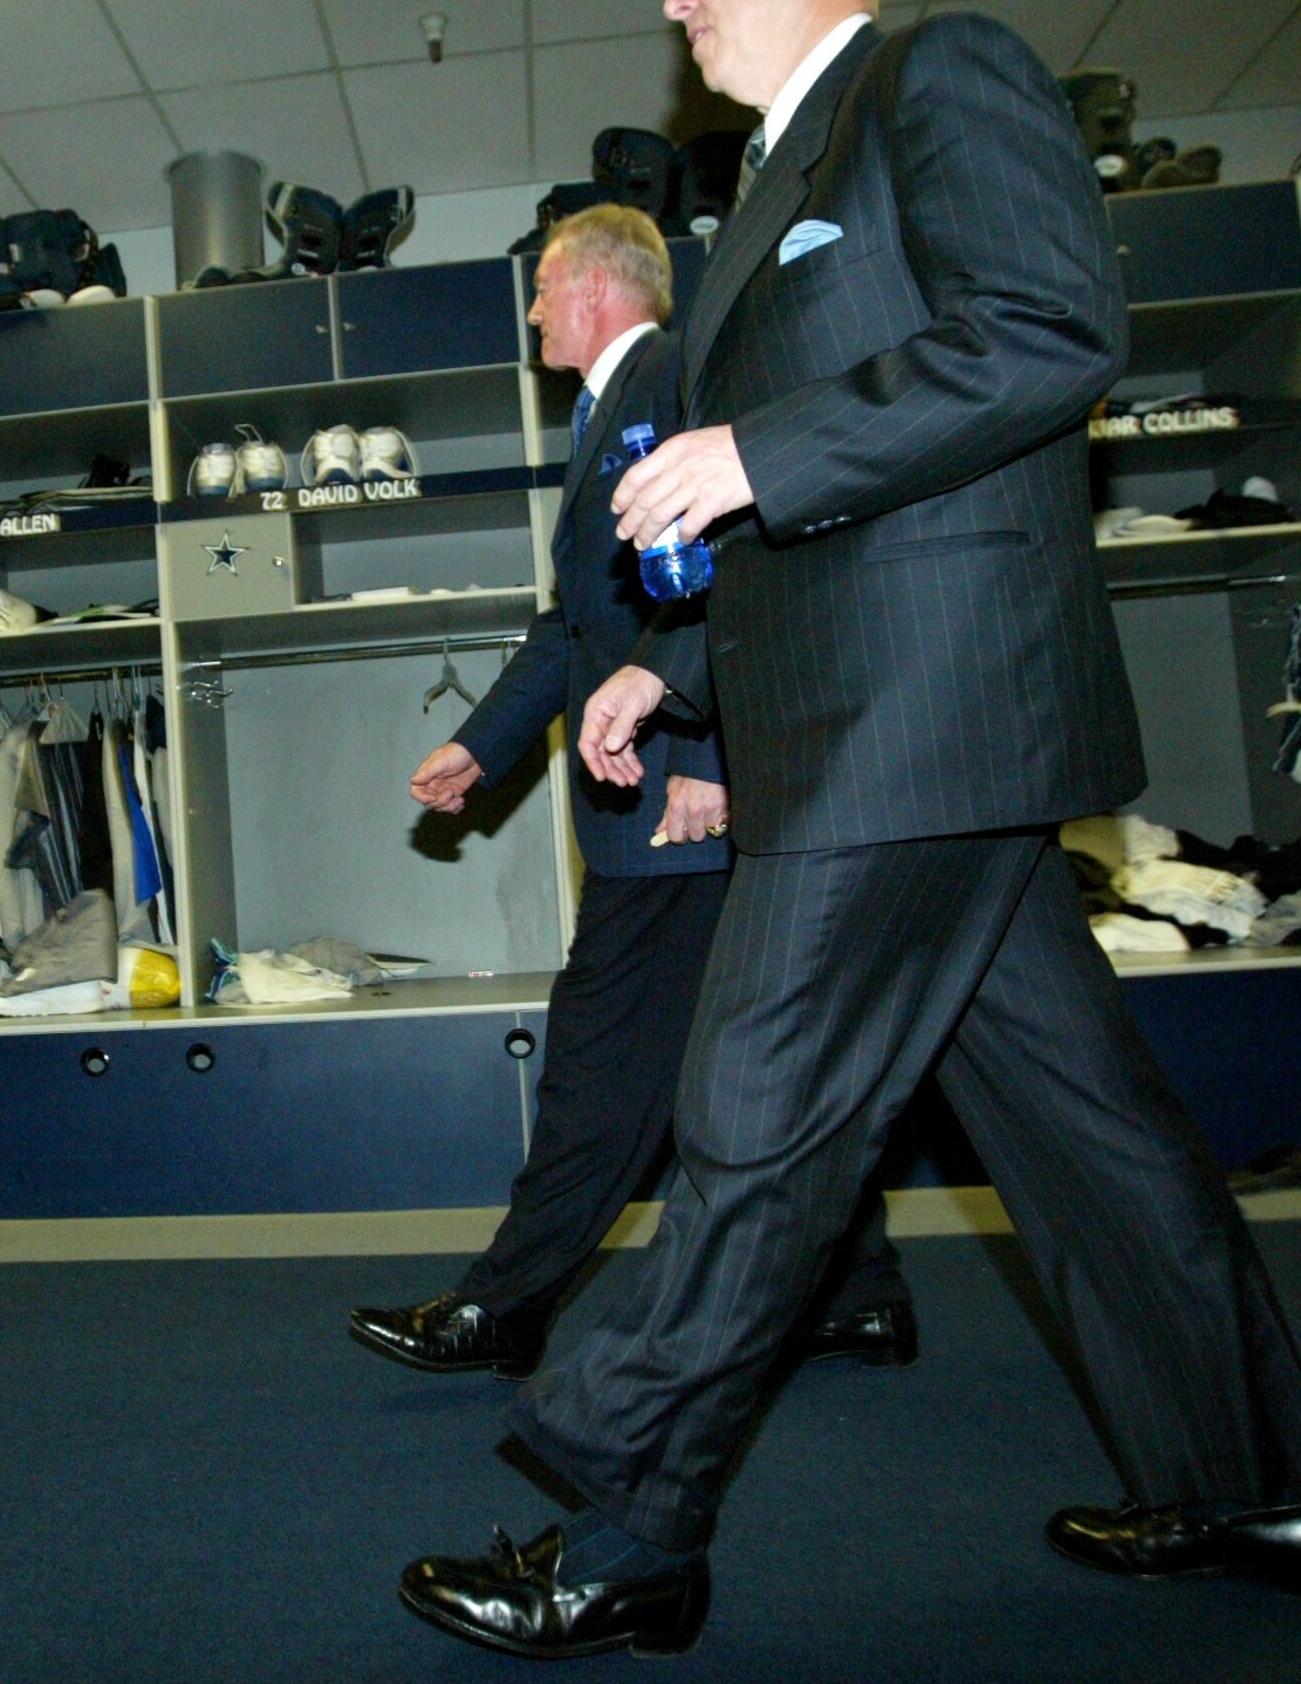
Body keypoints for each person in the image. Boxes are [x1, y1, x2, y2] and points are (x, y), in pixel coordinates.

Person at [398, 0, 1301, 1661]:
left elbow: (1048, 333)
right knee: (1093, 1142)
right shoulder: (753, 192)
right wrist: (670, 682)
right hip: (889, 720)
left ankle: (629, 1529)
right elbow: (796, 528)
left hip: (922, 715)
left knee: (754, 1106)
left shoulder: (937, 77)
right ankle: (1265, 1485)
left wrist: (761, 454)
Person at [351, 205, 916, 1385]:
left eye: (543, 290)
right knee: (761, 1057)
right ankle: (856, 1291)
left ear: (597, 289)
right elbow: (573, 623)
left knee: (604, 1059)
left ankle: (505, 1306)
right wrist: (482, 745)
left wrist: (708, 754)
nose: (533, 311)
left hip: (675, 795)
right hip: (665, 786)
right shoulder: (608, 406)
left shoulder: (670, 372)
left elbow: (734, 561)